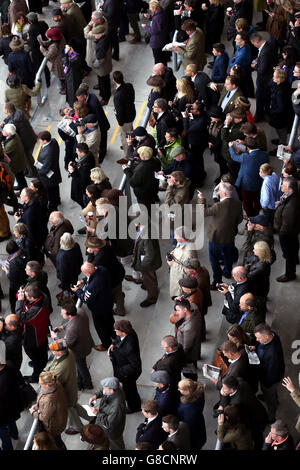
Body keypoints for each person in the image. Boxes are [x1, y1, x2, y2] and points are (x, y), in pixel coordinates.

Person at [197, 183, 243, 289]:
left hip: (216, 237)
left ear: (223, 193)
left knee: (214, 259)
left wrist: (201, 199)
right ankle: (227, 271)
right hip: (230, 236)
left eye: (219, 191)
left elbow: (202, 212)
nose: (218, 192)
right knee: (228, 254)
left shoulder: (218, 206)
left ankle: (217, 281)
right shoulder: (237, 203)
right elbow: (240, 219)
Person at [73, 262, 115, 350]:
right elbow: (91, 276)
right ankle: (113, 334)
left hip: (99, 309)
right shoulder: (102, 269)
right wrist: (83, 281)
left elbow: (85, 298)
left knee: (100, 327)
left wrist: (77, 290)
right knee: (110, 320)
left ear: (88, 273)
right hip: (108, 302)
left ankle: (106, 344)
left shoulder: (93, 285)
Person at [252, 323, 285, 423]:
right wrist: (255, 347)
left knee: (270, 399)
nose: (257, 340)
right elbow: (260, 344)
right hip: (268, 375)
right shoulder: (272, 335)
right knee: (270, 394)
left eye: (258, 338)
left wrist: (266, 384)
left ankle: (271, 417)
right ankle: (269, 397)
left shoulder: (273, 354)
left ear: (266, 336)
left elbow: (272, 374)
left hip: (269, 380)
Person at [229, 136, 269, 217]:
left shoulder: (245, 157)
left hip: (247, 184)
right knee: (257, 199)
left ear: (248, 147)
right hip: (259, 182)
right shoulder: (265, 154)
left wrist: (231, 147)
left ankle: (251, 218)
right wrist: (244, 143)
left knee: (247, 203)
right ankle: (256, 212)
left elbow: (234, 157)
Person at [108, 320, 142, 414]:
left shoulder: (129, 347)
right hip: (123, 369)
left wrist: (121, 371)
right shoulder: (128, 333)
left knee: (130, 390)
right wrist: (113, 345)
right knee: (129, 389)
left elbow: (135, 365)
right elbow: (118, 339)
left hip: (127, 374)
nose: (115, 331)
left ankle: (134, 406)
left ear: (123, 332)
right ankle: (132, 400)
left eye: (116, 330)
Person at [29, 371, 68, 450]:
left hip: (53, 426)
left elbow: (44, 417)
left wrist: (33, 413)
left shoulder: (50, 398)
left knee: (56, 441)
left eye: (41, 383)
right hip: (59, 418)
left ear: (47, 384)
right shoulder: (56, 383)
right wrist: (39, 405)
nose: (40, 385)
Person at [274, 176, 300, 282]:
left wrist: (281, 232)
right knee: (293, 247)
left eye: (283, 185)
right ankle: (295, 259)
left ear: (290, 189)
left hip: (286, 233)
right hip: (292, 231)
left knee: (288, 253)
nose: (281, 186)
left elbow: (287, 224)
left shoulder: (291, 206)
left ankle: (289, 274)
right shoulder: (292, 196)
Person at [89, 376, 126, 450]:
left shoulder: (117, 406)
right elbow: (103, 391)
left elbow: (109, 423)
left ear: (111, 390)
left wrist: (97, 413)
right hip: (106, 422)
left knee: (117, 445)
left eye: (105, 387)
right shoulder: (116, 389)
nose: (104, 389)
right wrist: (96, 396)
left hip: (112, 431)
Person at [3, 102, 37, 178]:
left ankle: (33, 173)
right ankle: (28, 170)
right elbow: (10, 119)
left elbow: (11, 126)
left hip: (26, 142)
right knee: (27, 157)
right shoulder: (18, 111)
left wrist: (4, 126)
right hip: (30, 137)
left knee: (28, 159)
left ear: (7, 111)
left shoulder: (15, 120)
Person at [250, 33, 278, 122]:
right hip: (269, 76)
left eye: (253, 44)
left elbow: (262, 70)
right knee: (266, 97)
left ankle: (259, 115)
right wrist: (258, 61)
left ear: (256, 42)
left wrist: (255, 66)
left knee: (260, 98)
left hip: (264, 80)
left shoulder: (264, 53)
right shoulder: (269, 44)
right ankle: (267, 112)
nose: (254, 46)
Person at [0, 347, 23, 450]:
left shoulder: (2, 379)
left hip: (2, 409)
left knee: (1, 429)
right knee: (10, 420)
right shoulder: (10, 366)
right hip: (12, 404)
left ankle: (7, 447)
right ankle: (14, 434)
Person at [174, 299, 202, 380]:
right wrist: (180, 301)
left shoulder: (189, 328)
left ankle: (193, 384)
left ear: (185, 310)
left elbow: (186, 347)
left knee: (189, 373)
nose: (176, 312)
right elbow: (192, 304)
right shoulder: (195, 310)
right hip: (195, 347)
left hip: (189, 355)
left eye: (178, 310)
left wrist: (180, 357)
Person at [182, 100, 209, 187]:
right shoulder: (201, 114)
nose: (190, 109)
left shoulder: (201, 122)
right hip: (198, 140)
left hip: (197, 143)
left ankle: (199, 179)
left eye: (192, 108)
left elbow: (187, 131)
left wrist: (185, 118)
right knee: (198, 159)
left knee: (197, 160)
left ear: (198, 111)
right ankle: (201, 173)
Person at [167, 226, 198, 299]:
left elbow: (190, 270)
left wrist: (172, 264)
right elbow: (177, 250)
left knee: (179, 297)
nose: (174, 237)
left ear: (183, 238)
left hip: (181, 280)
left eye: (176, 235)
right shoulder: (181, 242)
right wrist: (172, 254)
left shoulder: (189, 252)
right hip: (175, 275)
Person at [177, 378, 206, 449]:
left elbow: (189, 425)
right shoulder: (198, 392)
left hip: (192, 434)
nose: (178, 390)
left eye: (180, 389)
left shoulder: (189, 407)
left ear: (187, 391)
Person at [36, 131, 61, 213]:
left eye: (40, 140)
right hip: (54, 172)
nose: (39, 141)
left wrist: (39, 172)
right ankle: (57, 200)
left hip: (49, 177)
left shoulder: (48, 152)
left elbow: (46, 168)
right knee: (55, 188)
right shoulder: (53, 141)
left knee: (51, 193)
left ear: (45, 141)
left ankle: (53, 208)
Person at [113, 70, 136, 155]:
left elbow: (119, 111)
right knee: (130, 131)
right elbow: (133, 98)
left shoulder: (117, 95)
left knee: (125, 136)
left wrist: (120, 123)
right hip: (131, 113)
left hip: (125, 119)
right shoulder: (129, 86)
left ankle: (127, 155)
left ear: (114, 80)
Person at [39, 27, 66, 94]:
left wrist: (42, 49)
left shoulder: (54, 46)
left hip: (58, 63)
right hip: (62, 59)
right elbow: (52, 41)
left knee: (62, 77)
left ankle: (65, 88)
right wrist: (45, 43)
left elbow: (48, 55)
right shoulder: (60, 37)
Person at [90, 23, 112, 106]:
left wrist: (94, 65)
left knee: (104, 82)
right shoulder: (103, 38)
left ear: (100, 34)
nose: (94, 36)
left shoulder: (102, 44)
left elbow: (100, 60)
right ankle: (101, 89)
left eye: (95, 35)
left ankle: (105, 97)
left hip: (102, 67)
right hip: (104, 66)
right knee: (102, 80)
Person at [1, 123, 27, 192]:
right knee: (20, 177)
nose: (2, 131)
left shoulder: (11, 145)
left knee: (20, 177)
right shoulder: (14, 134)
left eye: (3, 130)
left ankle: (23, 190)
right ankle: (21, 186)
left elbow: (3, 154)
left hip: (16, 165)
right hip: (19, 160)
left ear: (8, 134)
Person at [142, 0, 169, 65]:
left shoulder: (157, 17)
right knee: (163, 58)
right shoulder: (161, 12)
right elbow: (158, 24)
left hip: (157, 42)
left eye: (150, 7)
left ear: (154, 8)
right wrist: (150, 17)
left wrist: (145, 26)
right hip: (162, 39)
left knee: (158, 60)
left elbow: (154, 31)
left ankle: (159, 73)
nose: (149, 9)